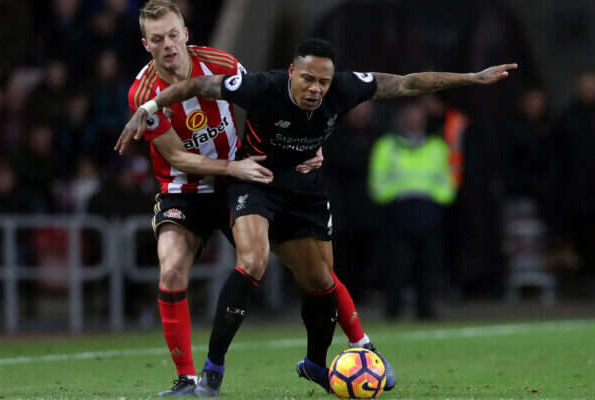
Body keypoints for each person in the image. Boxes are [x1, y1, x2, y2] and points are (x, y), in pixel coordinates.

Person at [119, 36, 516, 396]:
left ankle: (317, 362)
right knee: (253, 260)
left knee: (321, 280)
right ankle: (212, 372)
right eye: (307, 79)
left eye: (322, 82)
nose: (315, 89)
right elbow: (195, 86)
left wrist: (472, 78)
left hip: (305, 190)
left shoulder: (344, 88)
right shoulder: (262, 87)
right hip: (256, 180)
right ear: (292, 72)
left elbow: (408, 83)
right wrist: (149, 107)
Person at [117, 1, 392, 396]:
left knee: (313, 268)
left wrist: (306, 141)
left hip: (244, 182)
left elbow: (267, 102)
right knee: (172, 268)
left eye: (173, 35)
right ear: (146, 44)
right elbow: (177, 157)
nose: (168, 45)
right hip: (185, 191)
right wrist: (234, 168)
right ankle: (188, 379)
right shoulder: (143, 93)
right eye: (157, 39)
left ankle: (364, 345)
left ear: (186, 33)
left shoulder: (222, 63)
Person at [368, 101, 456, 319]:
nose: (414, 121)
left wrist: (438, 199)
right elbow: (377, 182)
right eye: (410, 117)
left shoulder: (437, 146)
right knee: (397, 264)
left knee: (429, 263)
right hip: (398, 210)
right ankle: (393, 310)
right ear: (401, 119)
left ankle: (426, 309)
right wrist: (394, 196)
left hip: (429, 210)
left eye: (418, 117)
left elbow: (448, 179)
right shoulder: (387, 146)